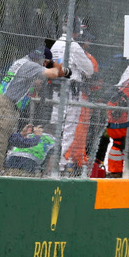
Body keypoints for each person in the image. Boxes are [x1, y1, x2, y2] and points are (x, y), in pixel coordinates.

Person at [0, 43, 70, 177]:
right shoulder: (30, 65)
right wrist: (66, 70)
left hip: (5, 109)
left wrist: (23, 135)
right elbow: (53, 73)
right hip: (3, 108)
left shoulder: (22, 63)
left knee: (1, 148)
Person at [49, 18, 100, 176]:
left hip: (57, 90)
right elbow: (89, 70)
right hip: (71, 92)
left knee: (55, 127)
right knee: (69, 129)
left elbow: (51, 67)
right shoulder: (74, 46)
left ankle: (50, 162)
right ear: (76, 31)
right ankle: (61, 166)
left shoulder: (54, 43)